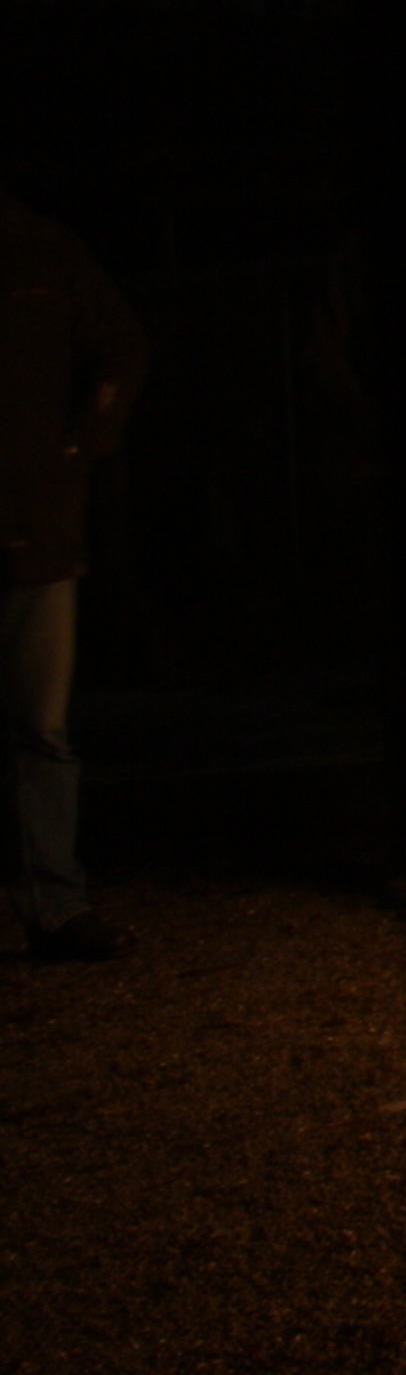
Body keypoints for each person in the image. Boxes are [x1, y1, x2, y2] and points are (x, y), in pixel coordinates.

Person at [3, 190, 147, 961]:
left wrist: (78, 447)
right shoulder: (41, 248)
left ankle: (54, 902)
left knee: (42, 727)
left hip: (38, 526)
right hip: (40, 519)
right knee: (40, 729)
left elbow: (119, 342)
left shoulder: (43, 249)